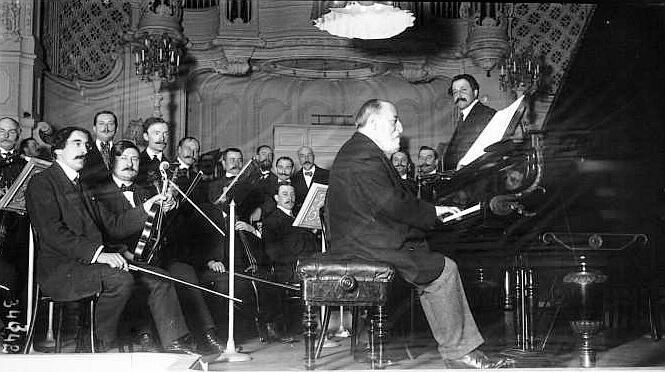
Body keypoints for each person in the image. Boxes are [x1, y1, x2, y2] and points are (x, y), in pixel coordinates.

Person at [326, 99, 507, 369]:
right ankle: (459, 354)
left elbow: (392, 203)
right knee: (444, 270)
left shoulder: (360, 150)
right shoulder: (363, 155)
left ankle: (455, 348)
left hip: (366, 238)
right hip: (365, 245)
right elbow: (392, 203)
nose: (400, 127)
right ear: (374, 123)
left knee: (434, 262)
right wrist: (433, 213)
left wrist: (430, 214)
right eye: (394, 121)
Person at [24, 127, 189, 352]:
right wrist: (100, 254)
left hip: (89, 264)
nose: (85, 149)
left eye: (86, 145)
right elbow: (53, 234)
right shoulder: (42, 182)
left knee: (159, 278)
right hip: (62, 269)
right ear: (58, 150)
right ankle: (99, 342)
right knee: (120, 279)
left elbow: (114, 225)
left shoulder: (83, 186)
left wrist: (149, 206)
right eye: (77, 143)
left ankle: (175, 344)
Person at [91, 140, 195, 352]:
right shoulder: (99, 193)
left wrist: (167, 210)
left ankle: (166, 336)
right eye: (124, 158)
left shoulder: (144, 191)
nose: (130, 163)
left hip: (146, 257)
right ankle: (168, 340)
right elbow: (107, 231)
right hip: (115, 258)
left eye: (135, 158)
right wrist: (122, 253)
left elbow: (158, 230)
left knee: (177, 273)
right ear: (112, 161)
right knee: (158, 280)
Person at [0, 117, 30, 351]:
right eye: (2, 131)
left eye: (11, 132)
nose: (6, 135)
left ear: (18, 134)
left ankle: (14, 337)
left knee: (16, 280)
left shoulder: (25, 164)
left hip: (17, 231)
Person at [442, 74, 497, 171]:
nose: (459, 95)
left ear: (475, 93)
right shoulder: (465, 116)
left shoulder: (485, 114)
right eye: (455, 92)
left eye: (463, 90)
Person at [81, 111, 117, 186]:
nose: (106, 128)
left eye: (110, 124)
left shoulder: (123, 151)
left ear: (116, 129)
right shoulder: (84, 151)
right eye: (101, 124)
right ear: (94, 128)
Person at [137, 117, 171, 190]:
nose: (162, 139)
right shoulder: (137, 162)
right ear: (146, 136)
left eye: (165, 134)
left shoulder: (170, 165)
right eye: (157, 133)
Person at [292, 146, 329, 211]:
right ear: (299, 159)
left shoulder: (327, 175)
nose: (306, 159)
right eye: (302, 156)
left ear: (313, 157)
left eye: (309, 155)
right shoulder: (293, 179)